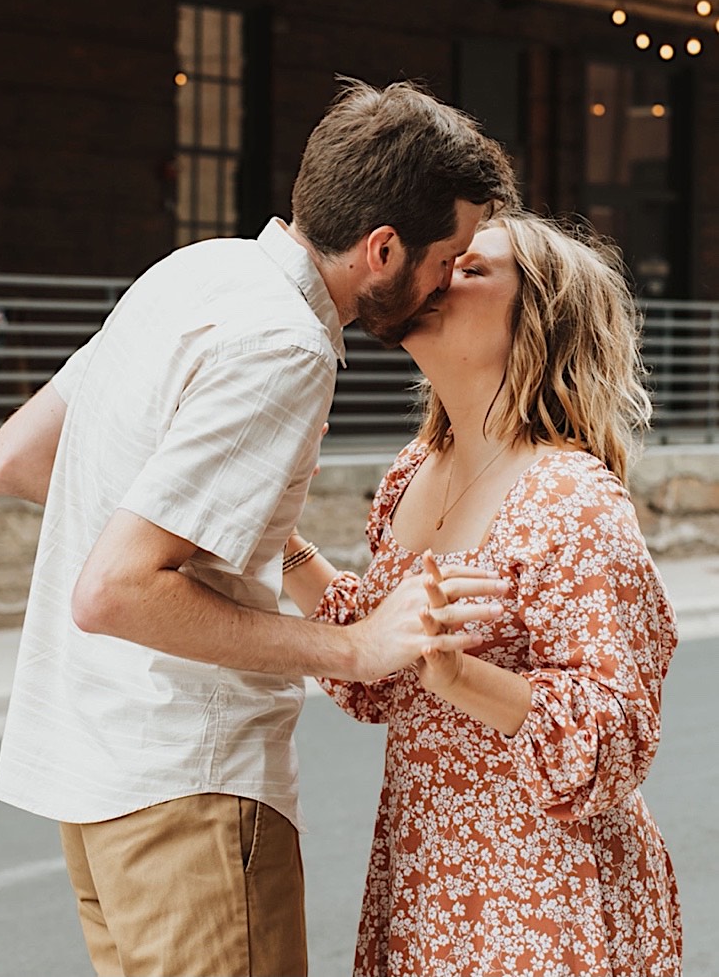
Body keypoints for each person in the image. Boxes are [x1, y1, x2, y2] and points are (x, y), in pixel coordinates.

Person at [0, 78, 520, 977]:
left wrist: (247, 535)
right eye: (446, 255)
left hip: (98, 779)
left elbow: (17, 459)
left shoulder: (191, 271)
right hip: (191, 786)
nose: (444, 280)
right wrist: (353, 646)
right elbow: (115, 588)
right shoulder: (289, 344)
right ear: (382, 248)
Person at [284, 213, 681, 976]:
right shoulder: (414, 469)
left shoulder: (570, 500)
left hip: (540, 889)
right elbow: (376, 675)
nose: (436, 275)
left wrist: (461, 675)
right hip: (430, 873)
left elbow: (616, 736)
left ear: (535, 318)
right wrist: (285, 538)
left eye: (471, 269)